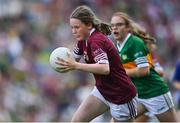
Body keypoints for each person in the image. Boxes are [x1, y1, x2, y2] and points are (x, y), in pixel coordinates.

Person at [55, 5, 137, 122]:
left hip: (121, 95)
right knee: (77, 121)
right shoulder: (82, 40)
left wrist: (76, 65)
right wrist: (61, 61)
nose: (73, 31)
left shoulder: (96, 40)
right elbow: (74, 59)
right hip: (103, 91)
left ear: (89, 25)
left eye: (77, 27)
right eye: (72, 27)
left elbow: (104, 68)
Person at [110, 12, 178, 122]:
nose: (114, 28)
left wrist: (121, 72)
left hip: (155, 93)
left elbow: (149, 71)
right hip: (137, 96)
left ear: (128, 28)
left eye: (119, 25)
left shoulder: (136, 44)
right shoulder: (118, 47)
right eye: (112, 25)